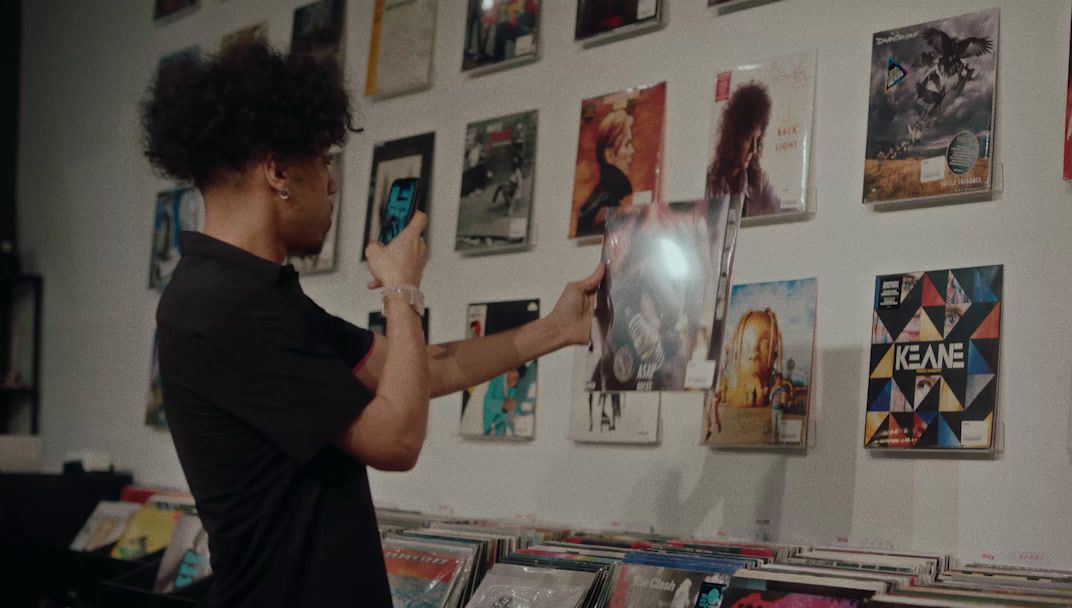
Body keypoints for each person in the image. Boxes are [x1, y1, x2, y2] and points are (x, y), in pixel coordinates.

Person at [142, 41, 603, 607]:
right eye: (323, 159)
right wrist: (401, 292)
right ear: (280, 171)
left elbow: (415, 372)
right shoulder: (223, 305)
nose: (333, 184)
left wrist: (556, 330)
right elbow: (396, 438)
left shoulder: (253, 294)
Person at [705, 82, 782, 218]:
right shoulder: (709, 184)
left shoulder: (760, 183)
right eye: (748, 139)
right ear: (734, 136)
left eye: (757, 141)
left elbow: (784, 213)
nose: (754, 149)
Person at [575, 104, 634, 237]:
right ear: (610, 155)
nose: (632, 151)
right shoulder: (608, 206)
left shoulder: (597, 198)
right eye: (627, 144)